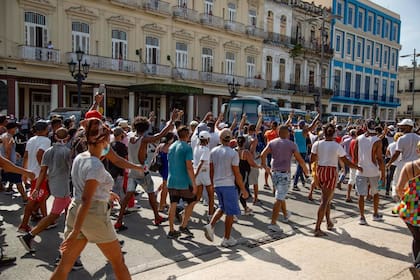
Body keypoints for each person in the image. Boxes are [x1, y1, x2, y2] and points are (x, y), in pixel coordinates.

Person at [51, 118, 130, 280]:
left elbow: (84, 189)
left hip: (75, 211)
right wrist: (75, 232)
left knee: (64, 265)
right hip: (93, 214)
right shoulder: (96, 165)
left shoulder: (81, 157)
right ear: (104, 140)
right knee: (118, 262)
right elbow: (87, 199)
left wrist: (106, 193)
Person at [114, 110, 178, 230]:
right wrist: (172, 121)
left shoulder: (130, 136)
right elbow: (160, 135)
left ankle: (119, 221)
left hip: (132, 170)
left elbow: (141, 127)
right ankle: (156, 217)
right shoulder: (143, 139)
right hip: (142, 170)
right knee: (151, 195)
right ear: (146, 128)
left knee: (127, 197)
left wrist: (148, 119)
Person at [18, 128, 72, 252]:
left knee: (70, 212)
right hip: (62, 187)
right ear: (67, 137)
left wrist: (37, 187)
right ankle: (30, 235)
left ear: (55, 137)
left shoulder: (49, 151)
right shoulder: (67, 152)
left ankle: (70, 240)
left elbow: (43, 170)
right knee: (53, 215)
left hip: (54, 184)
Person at [311, 123, 362, 237]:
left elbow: (312, 159)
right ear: (334, 133)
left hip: (320, 170)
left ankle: (328, 222)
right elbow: (346, 161)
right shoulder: (336, 146)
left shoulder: (317, 144)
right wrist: (357, 167)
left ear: (323, 133)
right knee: (325, 200)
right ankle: (317, 228)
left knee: (326, 199)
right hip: (331, 171)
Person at [203, 129, 249, 247]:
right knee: (230, 212)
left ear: (220, 139)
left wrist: (212, 184)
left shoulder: (213, 151)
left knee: (222, 207)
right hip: (228, 184)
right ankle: (226, 238)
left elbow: (211, 170)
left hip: (218, 184)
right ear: (231, 139)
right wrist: (243, 189)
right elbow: (237, 173)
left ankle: (211, 225)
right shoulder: (233, 153)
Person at [261, 125, 309, 232]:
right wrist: (305, 169)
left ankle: (286, 214)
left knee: (280, 195)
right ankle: (273, 222)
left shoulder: (272, 142)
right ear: (287, 133)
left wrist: (265, 166)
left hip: (274, 173)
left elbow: (262, 154)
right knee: (279, 198)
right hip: (284, 173)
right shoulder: (291, 144)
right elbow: (299, 159)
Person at [18, 121, 51, 233]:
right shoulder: (46, 140)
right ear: (45, 129)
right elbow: (40, 154)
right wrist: (44, 171)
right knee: (35, 199)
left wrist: (24, 172)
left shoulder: (31, 139)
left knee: (42, 196)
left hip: (32, 173)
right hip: (39, 174)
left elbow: (26, 156)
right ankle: (25, 224)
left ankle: (45, 219)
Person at [166, 126, 197, 238]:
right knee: (192, 201)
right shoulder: (187, 148)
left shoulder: (171, 146)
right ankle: (183, 225)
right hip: (183, 181)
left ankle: (171, 229)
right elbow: (189, 167)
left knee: (173, 203)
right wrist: (194, 184)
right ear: (187, 135)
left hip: (171, 180)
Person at [353, 120, 385, 225]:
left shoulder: (359, 138)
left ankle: (362, 217)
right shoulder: (378, 140)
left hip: (361, 170)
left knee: (361, 195)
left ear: (365, 127)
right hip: (373, 170)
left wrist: (356, 166)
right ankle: (375, 214)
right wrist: (383, 174)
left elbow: (354, 155)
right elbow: (380, 159)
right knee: (375, 193)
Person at [394, 152, 420, 270]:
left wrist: (408, 199)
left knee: (417, 238)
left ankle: (417, 265)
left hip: (411, 210)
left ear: (418, 151)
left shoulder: (410, 166)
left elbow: (399, 188)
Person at [386, 119, 420, 201]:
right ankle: (411, 202)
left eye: (403, 126)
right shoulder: (419, 138)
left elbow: (396, 154)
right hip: (416, 165)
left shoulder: (401, 139)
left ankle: (399, 200)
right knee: (413, 185)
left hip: (404, 164)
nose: (400, 127)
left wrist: (389, 163)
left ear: (409, 127)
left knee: (396, 183)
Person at [0, 122, 28, 201]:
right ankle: (25, 199)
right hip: (10, 164)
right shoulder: (9, 137)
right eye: (15, 128)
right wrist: (8, 165)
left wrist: (15, 153)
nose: (16, 130)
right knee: (18, 181)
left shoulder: (4, 136)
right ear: (12, 128)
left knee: (16, 181)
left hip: (6, 163)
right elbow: (7, 151)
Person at [292, 115, 319, 191]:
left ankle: (303, 181)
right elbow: (312, 124)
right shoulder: (304, 131)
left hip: (295, 151)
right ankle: (295, 184)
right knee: (299, 168)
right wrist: (317, 116)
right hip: (302, 152)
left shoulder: (295, 131)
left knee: (300, 167)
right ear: (303, 126)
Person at [193, 130, 214, 221]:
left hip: (197, 175)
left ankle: (186, 211)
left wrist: (195, 176)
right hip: (204, 174)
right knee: (211, 195)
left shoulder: (196, 148)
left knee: (198, 196)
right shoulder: (206, 150)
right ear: (207, 139)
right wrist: (196, 174)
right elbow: (201, 163)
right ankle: (210, 215)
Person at [155, 132, 175, 212]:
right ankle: (161, 206)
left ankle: (164, 203)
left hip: (161, 168)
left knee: (165, 186)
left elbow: (155, 155)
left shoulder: (160, 146)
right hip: (168, 168)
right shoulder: (171, 147)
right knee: (165, 188)